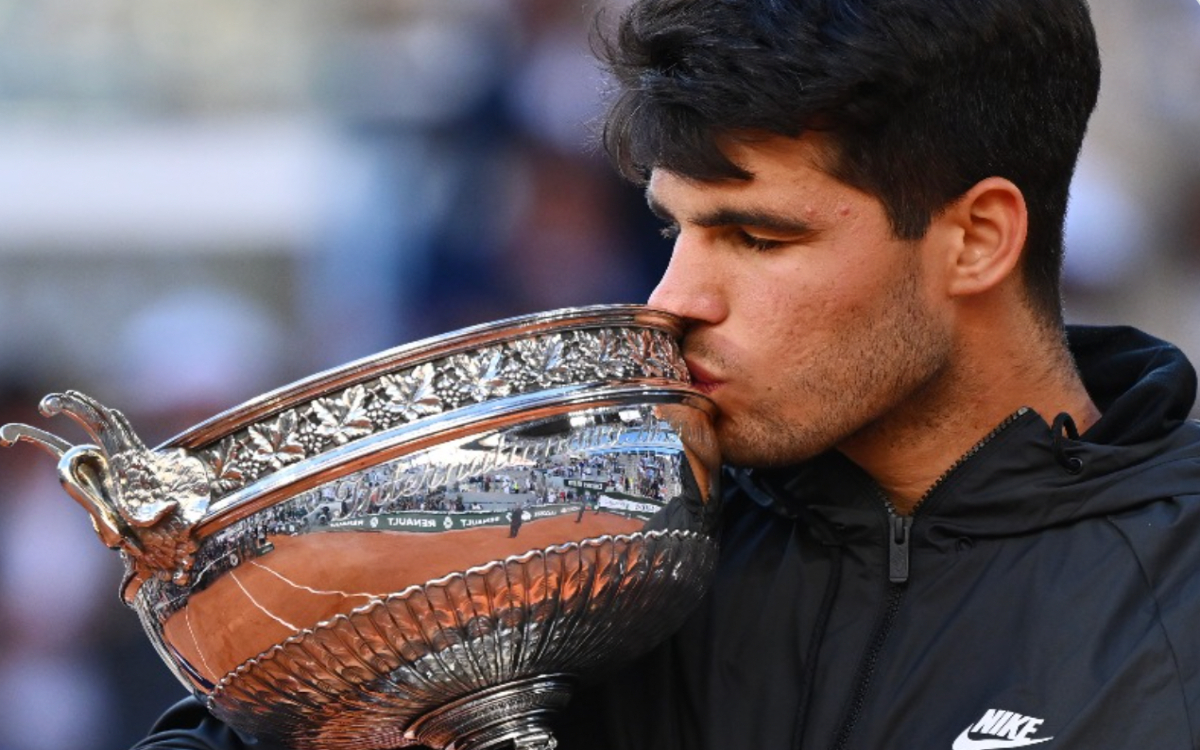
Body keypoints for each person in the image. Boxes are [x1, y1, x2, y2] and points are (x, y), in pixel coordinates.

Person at [132, 0, 1200, 748]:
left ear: (976, 239)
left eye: (756, 237)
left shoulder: (1175, 587)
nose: (673, 297)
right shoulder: (587, 552)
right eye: (672, 229)